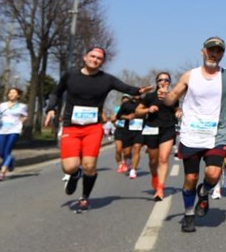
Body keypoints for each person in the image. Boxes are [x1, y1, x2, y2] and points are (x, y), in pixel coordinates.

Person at [161, 37, 226, 232]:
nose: (214, 54)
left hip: (216, 133)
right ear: (203, 51)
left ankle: (204, 192)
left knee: (213, 173)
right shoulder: (190, 76)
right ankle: (188, 214)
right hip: (192, 134)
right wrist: (166, 96)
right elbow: (172, 99)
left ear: (222, 54)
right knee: (190, 178)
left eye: (219, 51)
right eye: (211, 50)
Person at [44, 46, 148, 212]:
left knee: (89, 165)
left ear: (102, 62)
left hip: (93, 128)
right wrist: (51, 108)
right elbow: (56, 93)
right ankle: (75, 175)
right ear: (85, 57)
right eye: (92, 56)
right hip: (71, 127)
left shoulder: (106, 80)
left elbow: (126, 88)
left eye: (99, 58)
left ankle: (84, 197)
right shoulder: (70, 75)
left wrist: (140, 90)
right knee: (69, 167)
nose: (95, 60)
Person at [135, 72, 179, 201]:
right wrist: (148, 110)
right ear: (157, 82)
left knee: (163, 158)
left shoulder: (172, 96)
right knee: (153, 160)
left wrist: (178, 112)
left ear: (169, 82)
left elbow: (177, 109)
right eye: (161, 79)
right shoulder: (149, 96)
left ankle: (160, 188)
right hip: (152, 129)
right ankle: (155, 175)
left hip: (168, 129)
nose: (163, 82)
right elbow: (137, 112)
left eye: (166, 80)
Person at [0, 88, 28, 181]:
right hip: (1, 130)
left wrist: (21, 122)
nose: (11, 94)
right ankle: (11, 160)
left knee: (7, 150)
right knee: (1, 152)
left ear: (18, 95)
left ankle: (2, 173)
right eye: (10, 93)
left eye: (14, 93)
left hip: (14, 130)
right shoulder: (2, 105)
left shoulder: (22, 106)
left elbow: (24, 116)